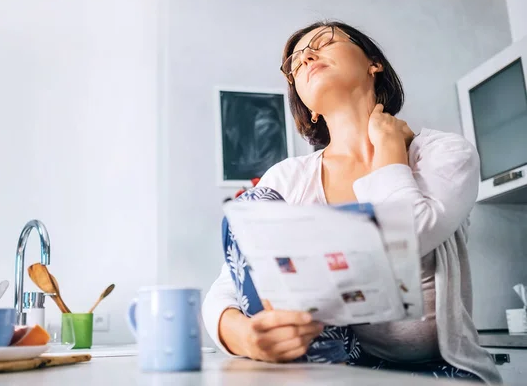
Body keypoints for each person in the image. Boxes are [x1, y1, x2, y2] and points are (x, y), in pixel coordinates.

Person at [202, 20, 502, 384]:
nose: (307, 56)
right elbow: (227, 289)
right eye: (295, 63)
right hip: (334, 373)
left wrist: (389, 150)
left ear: (373, 63)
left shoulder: (440, 152)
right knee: (249, 209)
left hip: (441, 372)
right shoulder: (286, 179)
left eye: (323, 41)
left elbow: (405, 237)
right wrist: (247, 337)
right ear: (306, 105)